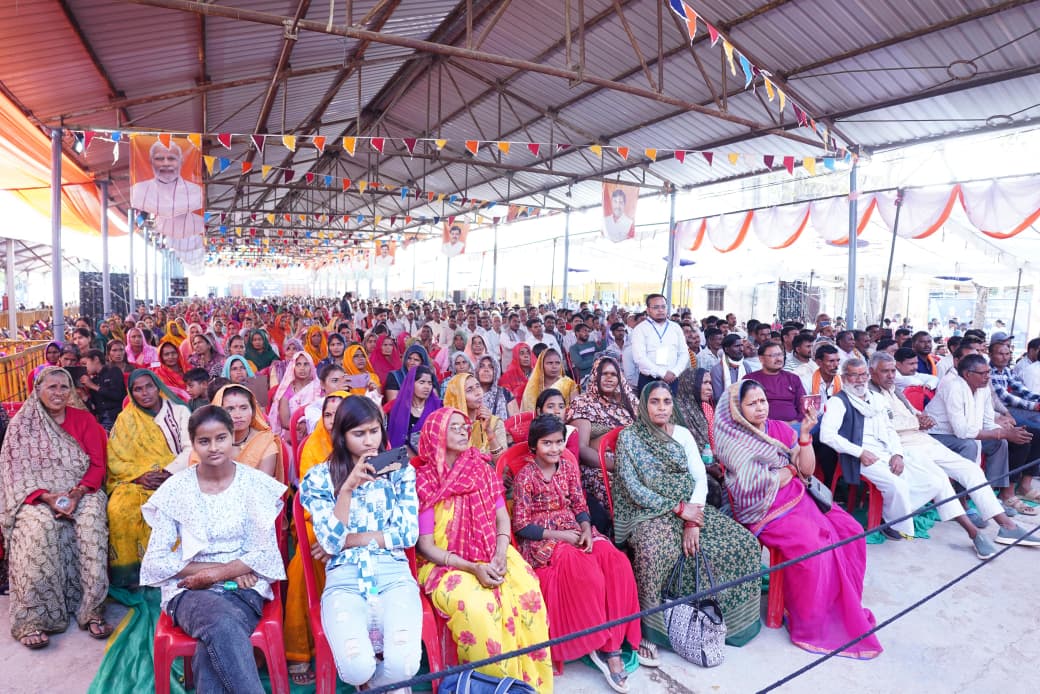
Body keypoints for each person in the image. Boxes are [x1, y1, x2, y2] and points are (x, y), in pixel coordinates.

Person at [713, 379, 883, 659]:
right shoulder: (734, 439)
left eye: (763, 401)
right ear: (737, 409)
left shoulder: (779, 428)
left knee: (850, 530)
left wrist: (804, 436)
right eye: (752, 403)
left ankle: (843, 605)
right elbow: (753, 485)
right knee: (815, 544)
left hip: (798, 496)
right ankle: (811, 623)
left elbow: (807, 469)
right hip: (763, 510)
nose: (760, 408)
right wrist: (790, 471)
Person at [139, 406, 286, 694]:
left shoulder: (253, 485)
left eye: (221, 438)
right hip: (189, 591)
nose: (214, 447)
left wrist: (220, 573)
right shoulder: (177, 489)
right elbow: (156, 561)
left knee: (215, 641)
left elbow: (266, 552)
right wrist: (222, 572)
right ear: (193, 445)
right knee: (221, 624)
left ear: (233, 438)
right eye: (204, 441)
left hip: (245, 587)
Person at [613, 381, 762, 663]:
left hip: (690, 509)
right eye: (654, 401)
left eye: (666, 402)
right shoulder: (629, 438)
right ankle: (650, 630)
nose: (661, 407)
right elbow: (634, 489)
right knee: (652, 554)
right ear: (643, 405)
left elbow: (698, 479)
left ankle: (728, 621)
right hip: (649, 512)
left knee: (744, 544)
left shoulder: (682, 434)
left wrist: (692, 520)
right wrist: (678, 509)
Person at [413, 407, 553, 690]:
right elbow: (426, 546)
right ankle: (492, 686)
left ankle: (528, 685)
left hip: (493, 549)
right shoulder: (425, 480)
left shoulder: (481, 468)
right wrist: (472, 568)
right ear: (436, 434)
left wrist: (501, 553)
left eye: (464, 426)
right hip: (447, 562)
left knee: (527, 593)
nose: (464, 431)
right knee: (480, 609)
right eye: (454, 427)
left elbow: (502, 517)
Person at [512, 415, 642, 693]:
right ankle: (601, 644)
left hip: (573, 527)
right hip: (544, 539)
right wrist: (560, 536)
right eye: (547, 443)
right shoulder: (526, 476)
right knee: (584, 570)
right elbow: (522, 525)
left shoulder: (569, 467)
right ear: (534, 446)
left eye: (559, 442)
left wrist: (585, 529)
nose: (555, 449)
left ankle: (614, 642)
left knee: (616, 561)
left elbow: (580, 504)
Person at [300, 396, 422, 690]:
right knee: (355, 670)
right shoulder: (319, 477)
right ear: (341, 436)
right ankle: (379, 685)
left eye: (374, 431)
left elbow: (408, 534)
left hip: (394, 574)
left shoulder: (399, 469)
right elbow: (329, 544)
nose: (370, 441)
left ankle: (377, 687)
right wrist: (347, 489)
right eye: (359, 433)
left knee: (405, 665)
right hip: (344, 580)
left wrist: (351, 540)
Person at [868, 352, 1035, 554]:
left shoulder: (893, 390)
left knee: (970, 470)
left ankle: (1005, 525)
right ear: (871, 372)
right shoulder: (869, 393)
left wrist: (922, 417)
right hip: (900, 446)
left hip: (922, 438)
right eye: (885, 371)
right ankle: (974, 532)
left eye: (893, 370)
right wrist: (917, 421)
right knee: (942, 480)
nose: (891, 375)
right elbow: (885, 426)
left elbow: (912, 412)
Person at [0, 367, 112, 649]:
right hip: (36, 495)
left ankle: (91, 609)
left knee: (91, 522)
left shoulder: (84, 420)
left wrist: (76, 494)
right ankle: (35, 618)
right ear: (37, 389)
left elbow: (98, 466)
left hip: (82, 489)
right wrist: (47, 497)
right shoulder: (22, 425)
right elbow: (13, 472)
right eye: (52, 387)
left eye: (64, 387)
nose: (58, 393)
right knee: (37, 527)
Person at [820, 358, 954, 541]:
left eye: (863, 375)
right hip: (859, 456)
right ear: (844, 378)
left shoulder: (877, 399)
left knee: (934, 480)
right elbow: (826, 435)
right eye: (854, 375)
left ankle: (894, 511)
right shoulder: (838, 402)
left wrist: (897, 454)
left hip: (887, 451)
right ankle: (890, 522)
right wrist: (860, 453)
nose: (860, 380)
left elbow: (890, 430)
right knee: (897, 485)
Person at [284, 390, 349, 684]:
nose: (333, 420)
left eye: (340, 412)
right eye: (327, 414)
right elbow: (311, 499)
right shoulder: (313, 445)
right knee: (302, 565)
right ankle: (300, 650)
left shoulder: (368, 439)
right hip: (319, 520)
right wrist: (331, 532)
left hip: (360, 521)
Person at [106, 370, 192, 587]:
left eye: (149, 386)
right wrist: (140, 476)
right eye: (138, 389)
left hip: (175, 477)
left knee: (172, 509)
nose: (145, 393)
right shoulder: (125, 419)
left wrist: (168, 473)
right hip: (136, 481)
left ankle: (168, 572)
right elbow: (115, 457)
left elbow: (191, 448)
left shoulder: (180, 412)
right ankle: (131, 576)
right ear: (131, 393)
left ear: (158, 387)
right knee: (119, 509)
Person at [926, 353, 1039, 517]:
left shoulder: (983, 389)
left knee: (1001, 443)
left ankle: (990, 496)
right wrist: (1002, 433)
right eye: (983, 373)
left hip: (964, 434)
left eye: (988, 372)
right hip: (938, 435)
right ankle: (961, 500)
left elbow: (987, 422)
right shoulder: (953, 387)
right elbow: (962, 432)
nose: (988, 376)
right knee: (969, 445)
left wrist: (1008, 432)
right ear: (967, 374)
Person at [566, 356, 639, 533]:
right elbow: (582, 449)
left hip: (632, 461)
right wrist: (617, 466)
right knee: (625, 489)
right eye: (604, 373)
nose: (609, 378)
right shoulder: (584, 403)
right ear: (595, 376)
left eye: (613, 374)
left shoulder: (626, 404)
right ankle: (624, 536)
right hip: (599, 466)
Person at [186, 384, 283, 483]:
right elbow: (198, 482)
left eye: (243, 408)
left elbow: (262, 486)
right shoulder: (205, 441)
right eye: (230, 409)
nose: (238, 415)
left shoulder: (264, 442)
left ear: (253, 411)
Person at [673, 367, 727, 512]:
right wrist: (707, 468)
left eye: (710, 383)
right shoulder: (675, 411)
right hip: (683, 468)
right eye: (704, 383)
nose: (710, 387)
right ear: (690, 384)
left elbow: (710, 444)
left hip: (705, 461)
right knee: (712, 487)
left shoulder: (704, 407)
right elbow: (677, 454)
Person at [130, 139, 204, 238]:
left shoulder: (195, 191)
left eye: (171, 158)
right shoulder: (139, 190)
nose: (166, 163)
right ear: (151, 162)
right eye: (159, 158)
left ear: (181, 161)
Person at [630, 294, 690, 393]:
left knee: (671, 408)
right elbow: (639, 357)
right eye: (656, 307)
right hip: (649, 380)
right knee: (648, 408)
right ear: (648, 310)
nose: (660, 310)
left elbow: (684, 353)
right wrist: (662, 373)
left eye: (663, 306)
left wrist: (675, 372)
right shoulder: (640, 329)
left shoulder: (675, 328)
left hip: (672, 379)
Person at [443, 373, 508, 462]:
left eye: (478, 386)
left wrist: (488, 430)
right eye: (469, 390)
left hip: (488, 474)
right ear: (458, 397)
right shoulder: (450, 427)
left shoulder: (494, 422)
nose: (478, 393)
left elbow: (503, 466)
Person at [747, 342, 806, 430]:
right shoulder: (751, 379)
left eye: (780, 354)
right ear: (761, 358)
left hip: (793, 426)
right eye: (773, 355)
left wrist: (794, 422)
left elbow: (803, 405)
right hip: (763, 427)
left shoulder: (793, 378)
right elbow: (748, 408)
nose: (778, 359)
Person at [387, 365, 442, 452]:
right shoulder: (398, 408)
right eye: (422, 382)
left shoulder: (438, 407)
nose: (427, 387)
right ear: (411, 383)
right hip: (404, 460)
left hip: (432, 458)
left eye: (430, 383)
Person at [269, 351, 321, 437]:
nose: (302, 368)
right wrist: (300, 426)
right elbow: (285, 422)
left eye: (306, 364)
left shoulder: (318, 388)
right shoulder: (286, 390)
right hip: (292, 433)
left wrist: (308, 425)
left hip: (315, 431)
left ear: (311, 366)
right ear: (293, 367)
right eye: (298, 364)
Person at [80, 348, 128, 432]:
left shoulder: (113, 371)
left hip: (116, 418)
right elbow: (94, 407)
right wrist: (84, 396)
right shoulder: (94, 379)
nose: (84, 368)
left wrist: (93, 386)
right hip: (102, 420)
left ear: (95, 359)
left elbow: (118, 395)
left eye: (85, 363)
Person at [521, 348, 578, 412]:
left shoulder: (569, 383)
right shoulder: (533, 388)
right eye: (550, 363)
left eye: (558, 363)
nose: (554, 366)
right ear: (541, 365)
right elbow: (528, 412)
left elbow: (575, 409)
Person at [303, 363, 348, 434]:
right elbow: (320, 430)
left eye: (343, 381)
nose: (340, 384)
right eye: (335, 380)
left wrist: (371, 392)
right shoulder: (314, 408)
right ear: (322, 384)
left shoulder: (351, 402)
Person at [710, 333, 754, 403]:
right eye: (737, 346)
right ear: (726, 349)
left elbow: (752, 389)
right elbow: (718, 397)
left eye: (741, 345)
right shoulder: (717, 370)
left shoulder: (746, 366)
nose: (741, 349)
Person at [476, 355, 519, 420]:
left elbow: (516, 421)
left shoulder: (505, 393)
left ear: (496, 371)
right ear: (476, 371)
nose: (486, 370)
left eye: (491, 367)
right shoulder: (470, 395)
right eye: (482, 366)